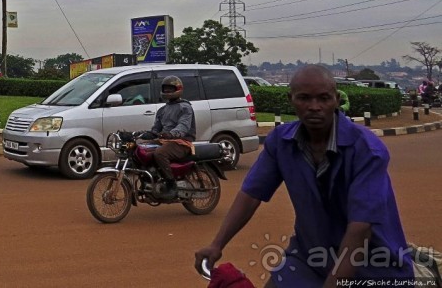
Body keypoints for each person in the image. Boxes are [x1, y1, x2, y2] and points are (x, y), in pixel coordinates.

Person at [195, 64, 414, 286]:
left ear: (337, 99)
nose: (314, 107)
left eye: (324, 98)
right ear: (291, 99)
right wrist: (217, 244)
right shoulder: (281, 142)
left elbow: (361, 228)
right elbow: (251, 195)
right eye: (304, 98)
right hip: (309, 258)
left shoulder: (367, 149)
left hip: (373, 264)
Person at [139, 75, 196, 198]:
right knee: (140, 149)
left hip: (181, 142)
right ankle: (149, 179)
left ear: (178, 89)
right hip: (165, 140)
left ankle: (171, 184)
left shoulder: (185, 107)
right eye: (165, 89)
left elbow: (183, 127)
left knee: (160, 153)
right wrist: (140, 135)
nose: (167, 92)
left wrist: (171, 134)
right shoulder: (162, 110)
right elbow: (155, 130)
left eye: (170, 89)